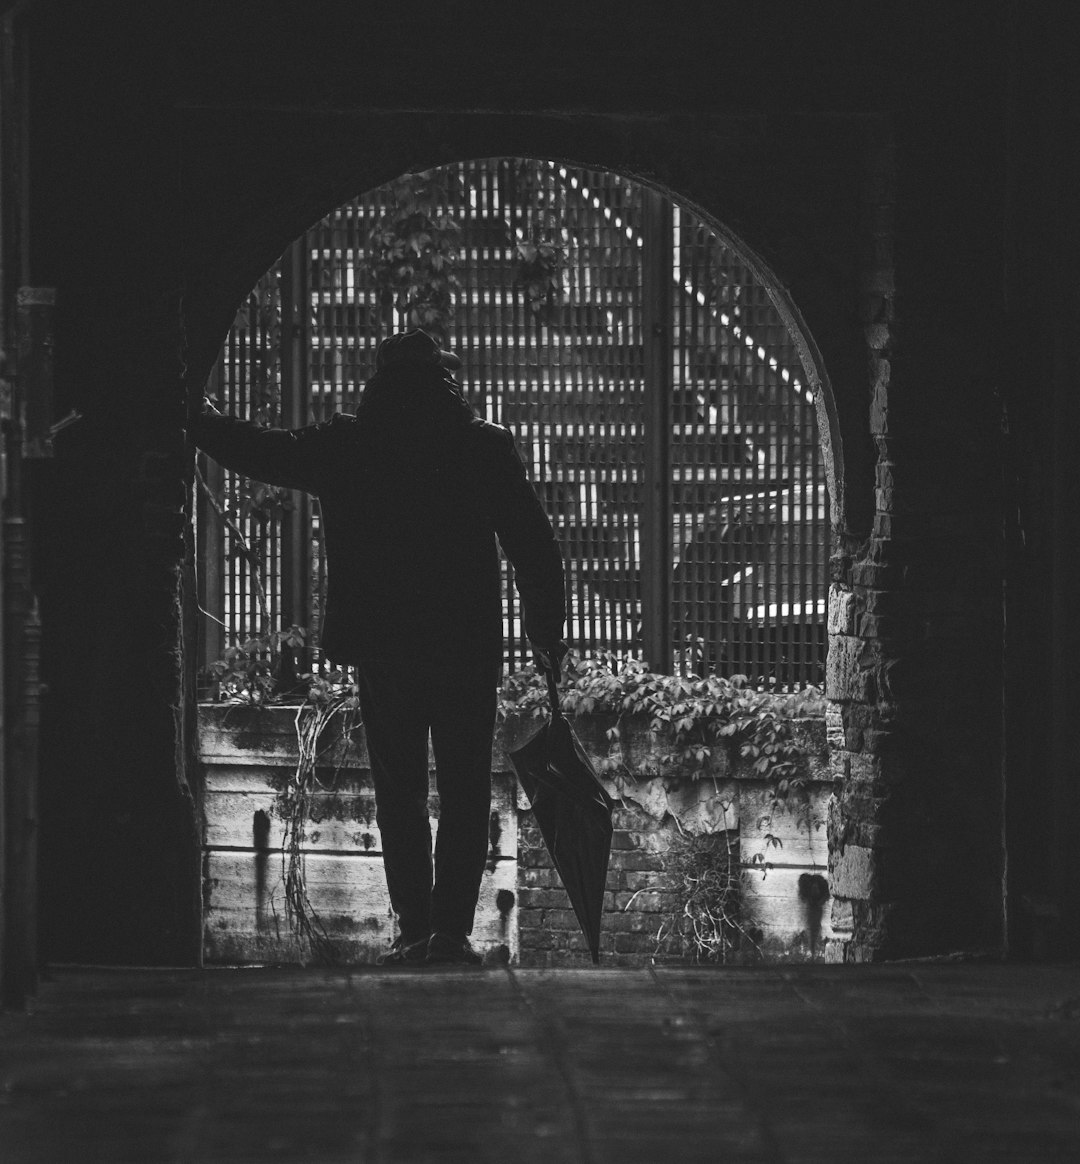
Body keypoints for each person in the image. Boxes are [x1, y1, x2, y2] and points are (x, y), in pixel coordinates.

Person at [190, 328, 567, 966]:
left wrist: (193, 418)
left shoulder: (349, 444)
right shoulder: (482, 447)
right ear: (446, 379)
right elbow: (535, 547)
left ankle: (414, 928)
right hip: (464, 646)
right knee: (467, 786)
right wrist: (545, 636)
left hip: (386, 646)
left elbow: (259, 451)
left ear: (379, 380)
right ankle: (451, 934)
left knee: (398, 791)